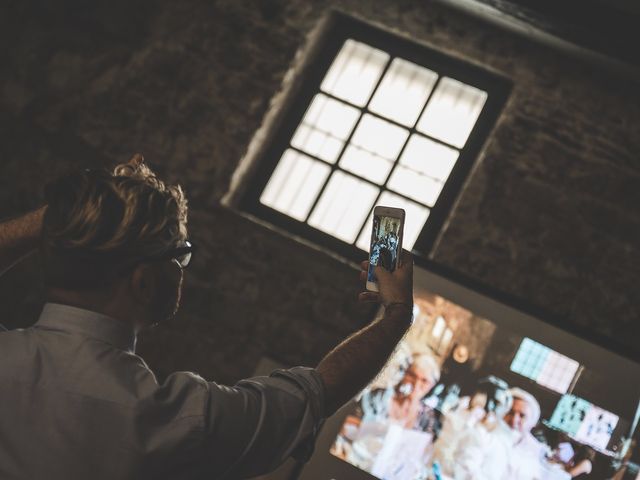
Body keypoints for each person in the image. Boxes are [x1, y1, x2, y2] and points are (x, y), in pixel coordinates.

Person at [0, 155, 415, 480]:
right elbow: (315, 394)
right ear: (143, 282)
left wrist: (64, 218)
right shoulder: (175, 421)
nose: (185, 266)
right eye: (180, 255)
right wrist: (396, 314)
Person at [438, 376, 514, 480]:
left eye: (496, 403)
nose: (489, 409)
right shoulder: (456, 421)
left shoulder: (502, 441)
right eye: (484, 402)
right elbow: (441, 456)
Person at [359, 353, 441, 431]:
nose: (416, 384)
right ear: (404, 374)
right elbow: (351, 424)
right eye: (412, 375)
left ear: (431, 386)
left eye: (424, 381)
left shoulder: (427, 416)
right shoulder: (378, 396)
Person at [503, 387, 547, 480]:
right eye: (510, 412)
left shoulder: (533, 447)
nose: (514, 420)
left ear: (531, 421)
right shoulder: (486, 435)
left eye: (522, 416)